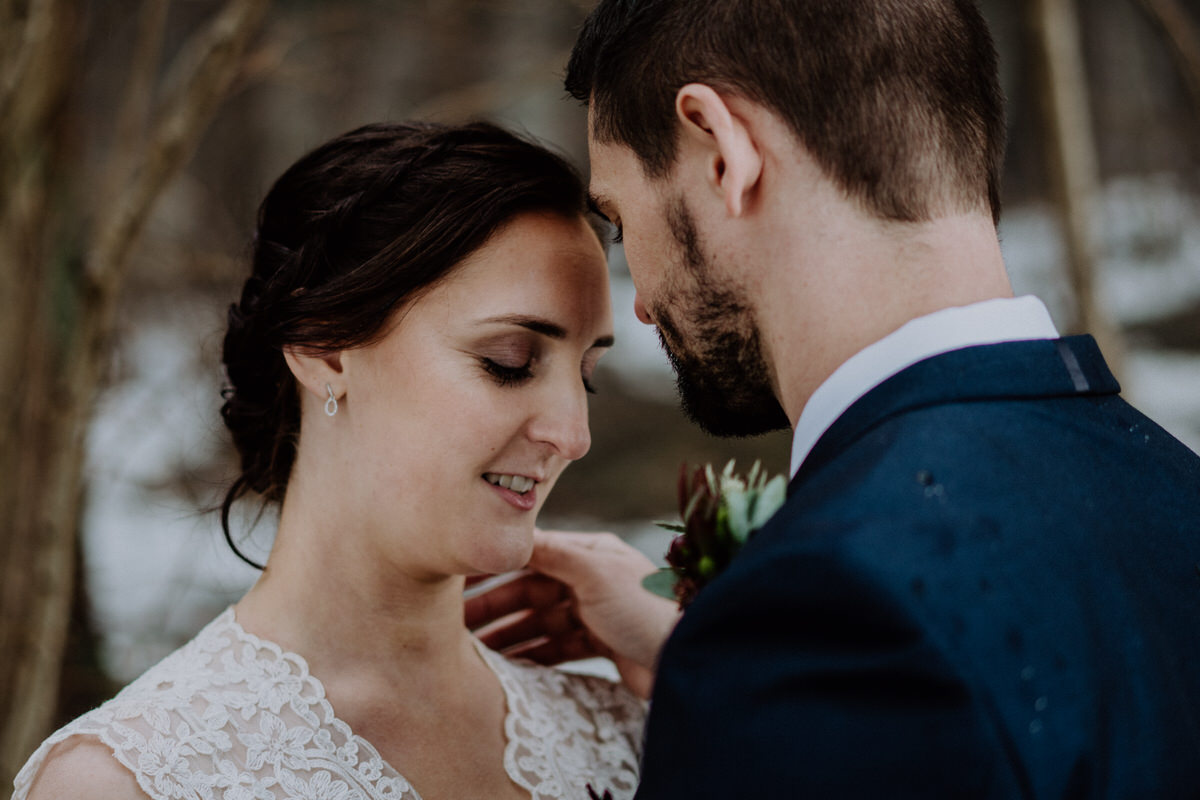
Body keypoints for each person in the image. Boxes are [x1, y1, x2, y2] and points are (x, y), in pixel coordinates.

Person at [468, 1, 1200, 796]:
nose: (641, 302)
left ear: (721, 149)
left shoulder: (820, 615)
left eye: (619, 218)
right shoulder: (1174, 490)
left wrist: (741, 670)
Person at [15, 121, 649, 800]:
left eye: (586, 375)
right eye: (510, 363)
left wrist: (689, 663)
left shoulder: (626, 727)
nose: (572, 434)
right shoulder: (127, 781)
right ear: (324, 348)